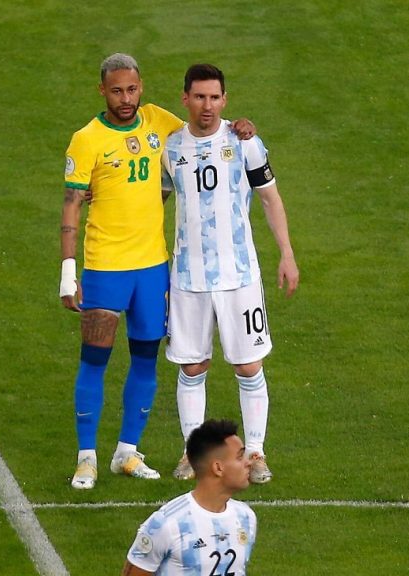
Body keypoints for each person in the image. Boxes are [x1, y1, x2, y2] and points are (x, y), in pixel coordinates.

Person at [60, 54, 256, 490]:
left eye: (132, 89)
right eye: (116, 91)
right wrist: (68, 272)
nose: (125, 99)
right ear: (102, 91)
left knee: (145, 360)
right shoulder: (86, 139)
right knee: (94, 360)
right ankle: (86, 458)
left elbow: (201, 131)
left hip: (153, 267)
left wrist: (240, 126)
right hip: (105, 265)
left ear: (141, 87)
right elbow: (71, 204)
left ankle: (126, 452)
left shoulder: (157, 121)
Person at [161, 64, 299, 485]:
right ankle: (193, 453)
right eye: (199, 97)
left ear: (225, 100)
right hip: (188, 277)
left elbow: (270, 199)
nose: (207, 105)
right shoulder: (170, 148)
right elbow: (150, 202)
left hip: (239, 274)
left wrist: (287, 253)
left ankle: (254, 452)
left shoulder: (245, 143)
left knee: (249, 365)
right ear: (185, 98)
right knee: (192, 366)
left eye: (214, 97)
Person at [122, 419, 257, 575]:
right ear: (218, 468)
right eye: (240, 457)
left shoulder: (246, 517)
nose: (249, 463)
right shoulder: (167, 524)